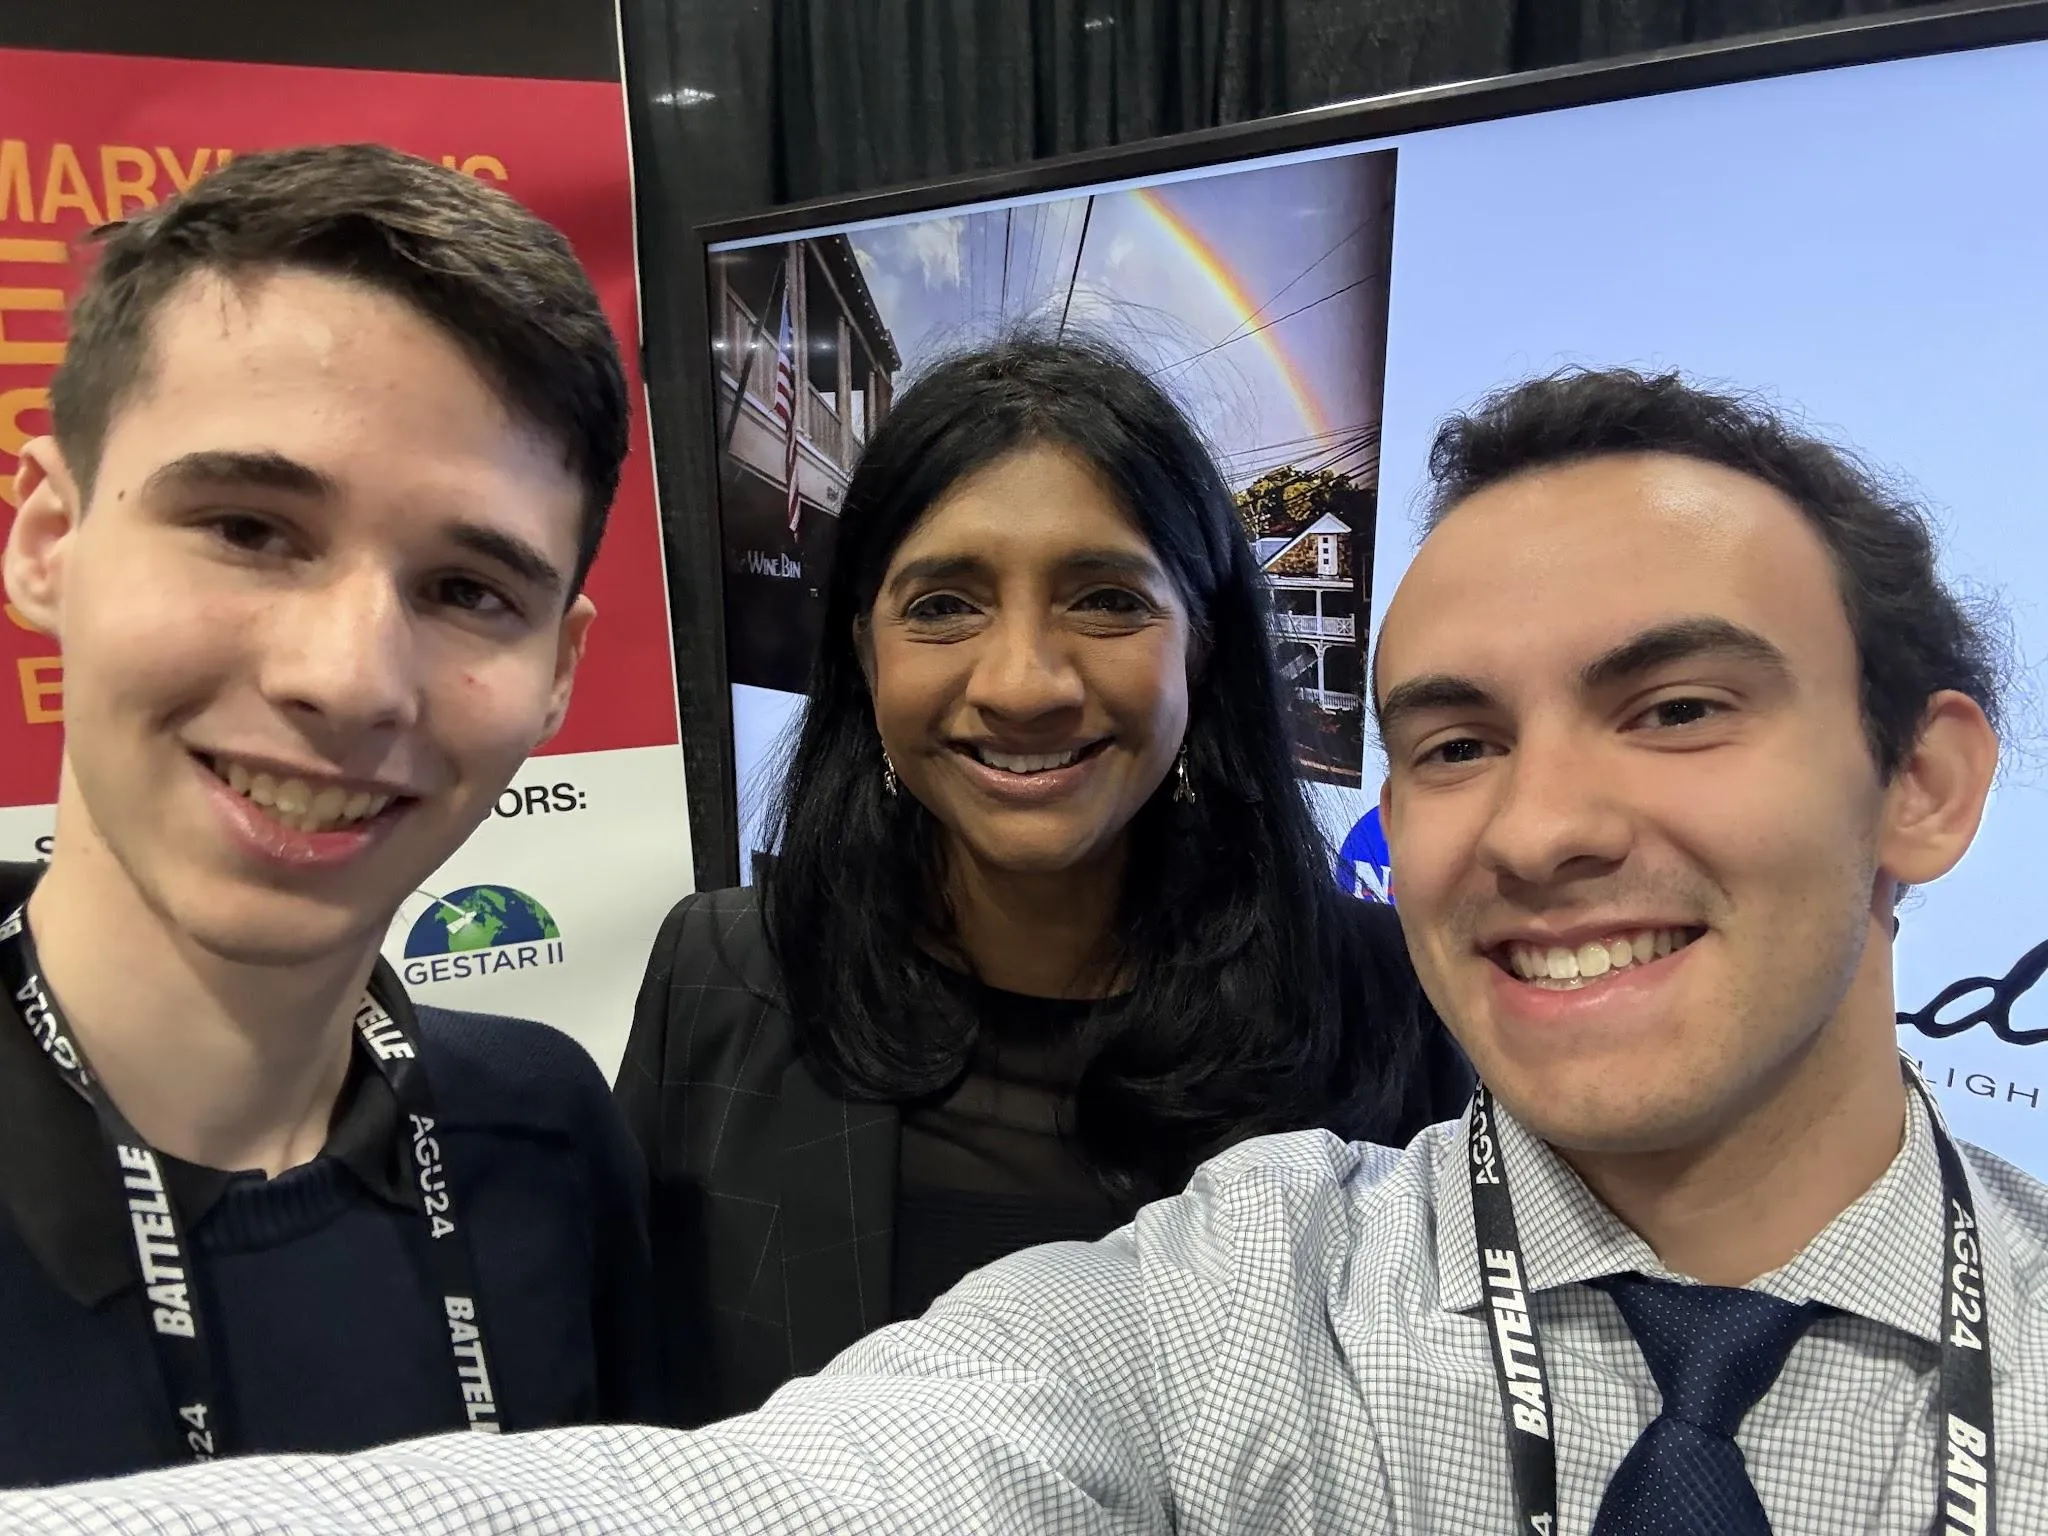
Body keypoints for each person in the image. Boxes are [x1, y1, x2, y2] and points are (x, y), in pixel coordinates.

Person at [3, 364, 2039, 1533]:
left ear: (1927, 790)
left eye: (1678, 706)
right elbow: (730, 1489)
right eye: (1456, 740)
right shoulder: (1246, 1291)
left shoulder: (1376, 1059)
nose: (1550, 825)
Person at [616, 334, 1472, 1422]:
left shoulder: (1384, 996)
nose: (1022, 683)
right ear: (866, 655)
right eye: (941, 606)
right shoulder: (720, 976)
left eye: (1106, 599)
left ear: (1200, 650)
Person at [0, 143, 661, 1488]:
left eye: (471, 590)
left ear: (558, 677)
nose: (351, 680)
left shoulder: (546, 1134)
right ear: (47, 541)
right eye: (249, 528)